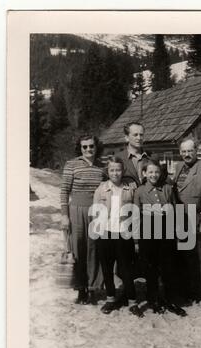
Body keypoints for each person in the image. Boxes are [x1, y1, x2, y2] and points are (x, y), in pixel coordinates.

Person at [134, 159, 187, 317]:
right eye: (150, 172)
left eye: (156, 172)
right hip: (148, 232)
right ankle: (153, 299)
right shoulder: (140, 191)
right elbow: (136, 216)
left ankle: (170, 300)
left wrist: (178, 232)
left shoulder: (168, 189)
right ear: (144, 174)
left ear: (161, 173)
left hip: (166, 231)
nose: (154, 175)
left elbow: (175, 211)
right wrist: (136, 239)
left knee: (168, 266)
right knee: (151, 267)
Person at [92, 156, 143, 317]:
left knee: (126, 269)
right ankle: (110, 299)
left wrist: (135, 239)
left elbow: (135, 215)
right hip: (105, 235)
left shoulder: (129, 189)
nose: (115, 173)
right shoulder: (101, 189)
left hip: (123, 235)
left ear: (123, 171)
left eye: (118, 170)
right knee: (107, 269)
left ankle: (133, 301)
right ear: (108, 171)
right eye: (112, 170)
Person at [60, 133, 104, 305]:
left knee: (94, 249)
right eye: (84, 146)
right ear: (80, 148)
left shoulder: (102, 166)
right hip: (76, 210)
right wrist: (64, 215)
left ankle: (93, 288)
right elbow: (64, 191)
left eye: (91, 146)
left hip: (96, 211)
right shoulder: (71, 165)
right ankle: (81, 289)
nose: (88, 149)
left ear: (96, 147)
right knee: (78, 250)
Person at [171, 136, 201, 302]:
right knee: (181, 254)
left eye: (190, 150)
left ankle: (197, 292)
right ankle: (183, 288)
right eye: (183, 151)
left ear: (196, 150)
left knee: (195, 256)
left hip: (194, 218)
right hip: (177, 218)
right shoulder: (178, 167)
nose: (187, 154)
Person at [113, 122, 151, 187]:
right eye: (135, 135)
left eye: (141, 135)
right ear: (127, 138)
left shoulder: (151, 157)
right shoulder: (118, 158)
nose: (139, 138)